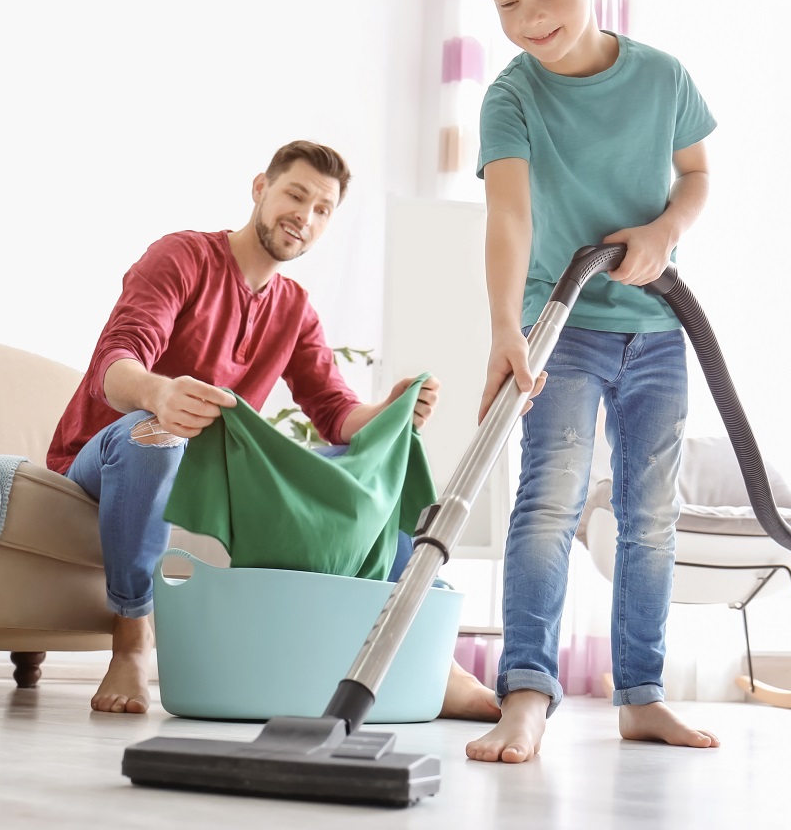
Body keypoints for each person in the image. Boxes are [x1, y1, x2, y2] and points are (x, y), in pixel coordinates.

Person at [46, 139, 501, 720]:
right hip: (110, 455)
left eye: (322, 209)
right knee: (155, 435)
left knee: (377, 470)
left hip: (210, 480)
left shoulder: (294, 307)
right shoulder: (181, 257)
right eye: (295, 194)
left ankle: (435, 661)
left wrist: (388, 412)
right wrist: (160, 393)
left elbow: (336, 415)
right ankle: (133, 639)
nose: (305, 217)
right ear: (260, 188)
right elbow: (116, 360)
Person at [467, 0, 723, 763]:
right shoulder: (511, 98)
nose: (531, 17)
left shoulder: (663, 78)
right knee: (547, 504)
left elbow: (695, 177)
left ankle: (642, 695)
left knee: (651, 514)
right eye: (507, 2)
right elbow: (509, 218)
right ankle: (527, 692)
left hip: (658, 329)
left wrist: (664, 231)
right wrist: (508, 326)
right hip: (562, 328)